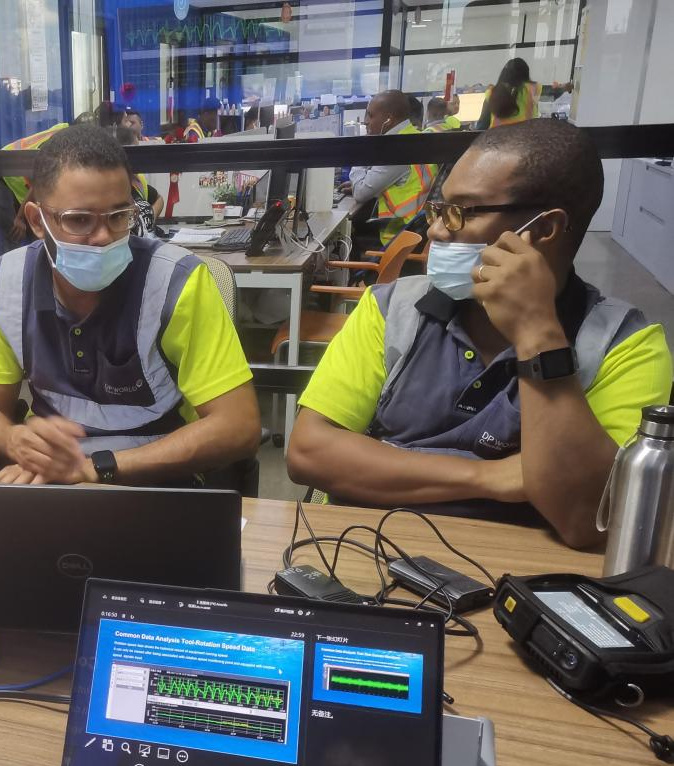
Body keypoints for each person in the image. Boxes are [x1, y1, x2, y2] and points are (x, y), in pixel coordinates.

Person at [287, 119, 672, 549]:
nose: (435, 230)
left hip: (520, 568)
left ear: (543, 229)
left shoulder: (625, 345)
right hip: (366, 546)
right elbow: (309, 452)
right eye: (440, 209)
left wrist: (538, 336)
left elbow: (588, 519)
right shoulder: (392, 307)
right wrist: (491, 476)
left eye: (462, 212)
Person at [0, 124, 260, 487]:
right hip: (51, 476)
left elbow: (238, 425)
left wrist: (96, 468)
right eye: (79, 220)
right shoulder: (7, 281)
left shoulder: (176, 282)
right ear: (36, 221)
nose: (103, 237)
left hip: (157, 476)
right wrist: (12, 439)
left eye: (119, 216)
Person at [340, 90, 438, 250]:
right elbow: (403, 182)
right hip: (414, 230)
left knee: (344, 238)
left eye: (370, 115)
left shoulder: (396, 149)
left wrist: (361, 153)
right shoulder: (413, 136)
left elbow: (361, 193)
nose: (366, 122)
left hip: (397, 238)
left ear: (389, 119)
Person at [113, 125, 163, 236]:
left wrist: (149, 218)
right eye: (136, 149)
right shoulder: (112, 186)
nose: (140, 156)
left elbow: (159, 199)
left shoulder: (137, 181)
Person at [477, 58, 540, 129]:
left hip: (497, 134)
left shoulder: (492, 93)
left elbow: (482, 125)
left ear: (503, 74)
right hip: (524, 134)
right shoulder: (533, 90)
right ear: (526, 74)